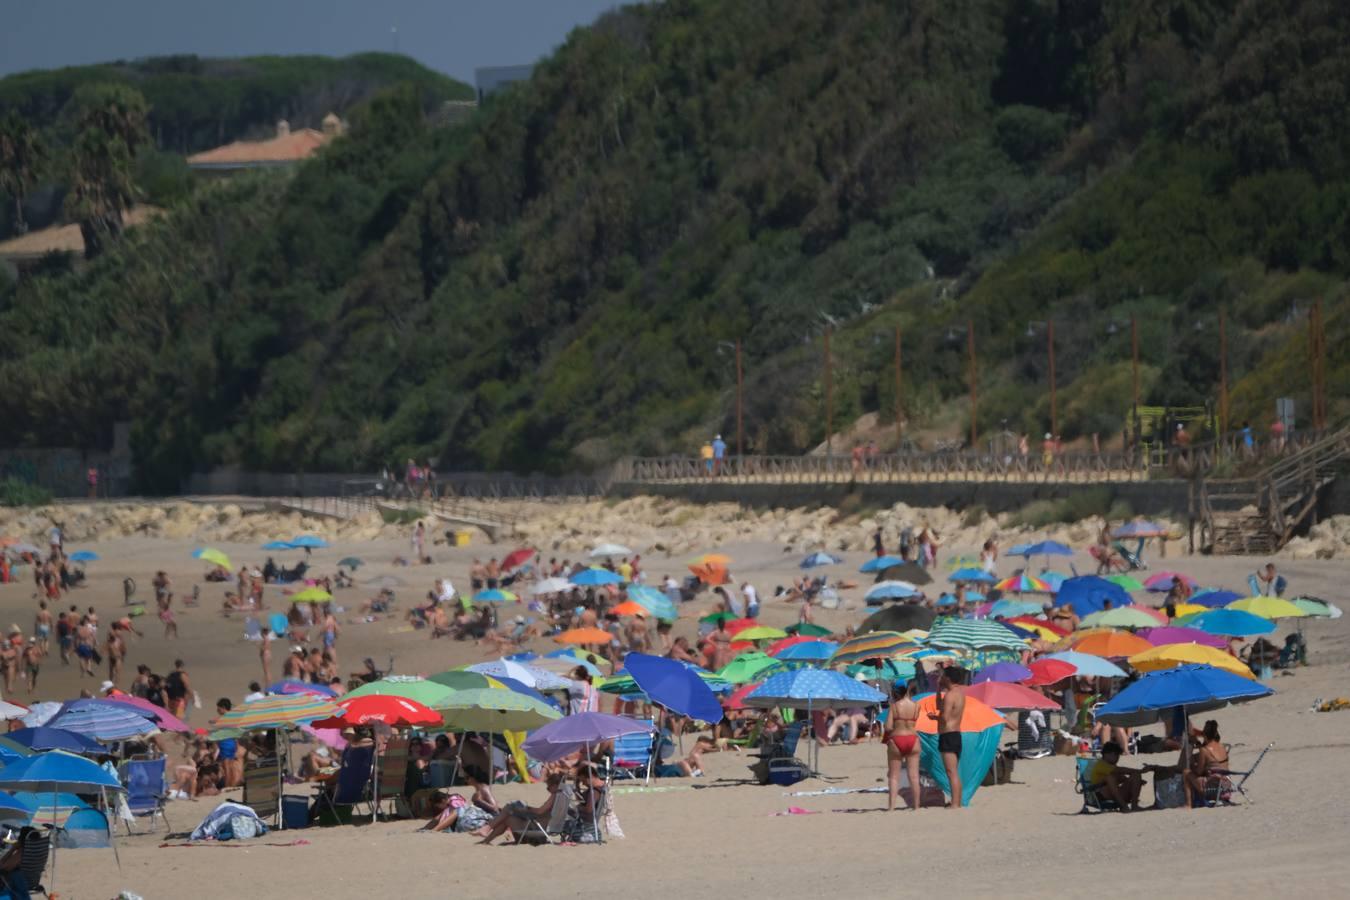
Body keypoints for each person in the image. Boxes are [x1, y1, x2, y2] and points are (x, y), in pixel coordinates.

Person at [930, 666, 966, 809]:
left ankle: (955, 804)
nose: (941, 678)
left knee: (951, 772)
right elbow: (941, 706)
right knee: (953, 772)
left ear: (949, 679)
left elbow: (944, 717)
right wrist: (938, 689)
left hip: (948, 735)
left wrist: (934, 718)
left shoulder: (951, 695)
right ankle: (956, 802)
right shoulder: (958, 694)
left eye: (943, 676)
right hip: (955, 735)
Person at [884, 681, 922, 811]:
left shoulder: (894, 707)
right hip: (913, 739)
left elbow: (888, 727)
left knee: (894, 776)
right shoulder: (916, 706)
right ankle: (916, 806)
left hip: (897, 739)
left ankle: (891, 807)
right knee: (914, 776)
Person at [1090, 741, 1145, 811]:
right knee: (1109, 778)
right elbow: (1121, 770)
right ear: (1107, 754)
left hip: (1115, 794)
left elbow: (1123, 778)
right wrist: (1141, 771)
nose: (1117, 758)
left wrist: (1136, 781)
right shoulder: (1101, 765)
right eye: (1116, 755)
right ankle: (1124, 806)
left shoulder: (1111, 766)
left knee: (1136, 775)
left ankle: (1134, 806)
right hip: (1101, 795)